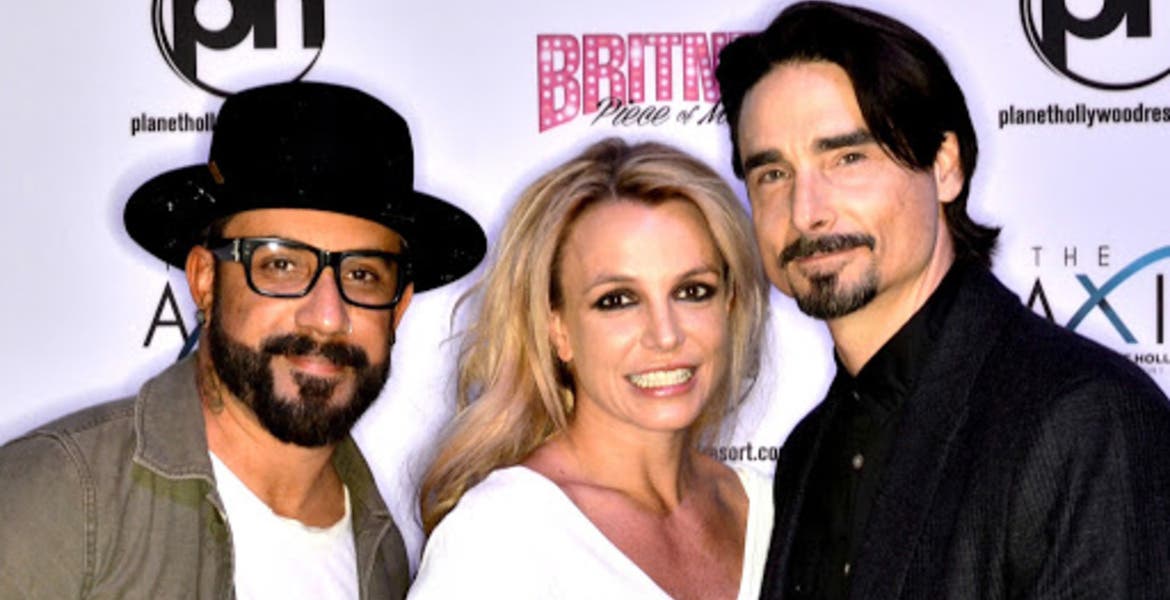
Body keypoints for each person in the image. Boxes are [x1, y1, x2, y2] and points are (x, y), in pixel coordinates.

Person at [715, 2, 1170, 599]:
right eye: (772, 174)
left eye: (847, 158)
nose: (806, 212)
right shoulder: (807, 452)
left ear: (945, 166)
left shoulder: (1083, 416)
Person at [0, 81, 485, 599]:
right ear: (205, 280)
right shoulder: (63, 498)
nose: (327, 317)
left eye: (362, 275)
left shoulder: (384, 555)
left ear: (399, 307)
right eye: (282, 265)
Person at [408, 138, 771, 599]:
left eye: (692, 291)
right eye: (617, 300)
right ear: (557, 328)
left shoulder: (771, 512)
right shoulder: (499, 536)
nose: (665, 335)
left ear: (730, 304)